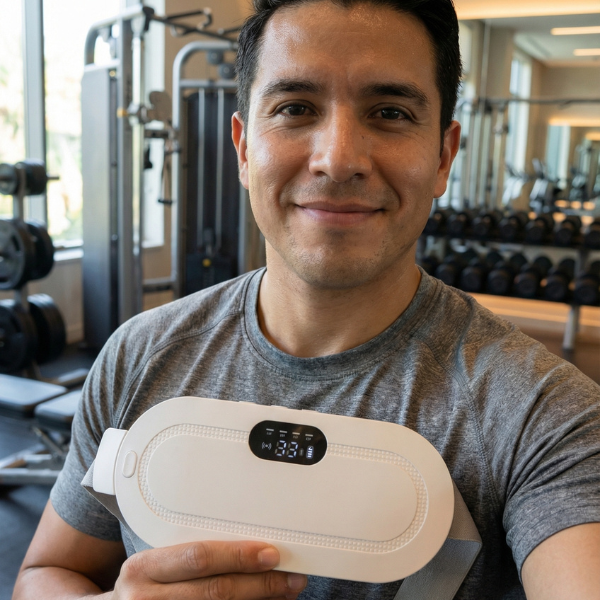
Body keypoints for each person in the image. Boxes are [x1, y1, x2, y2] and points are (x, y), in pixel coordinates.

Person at [13, 0, 600, 598]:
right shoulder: (140, 355)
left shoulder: (542, 415)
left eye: (390, 113)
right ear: (244, 148)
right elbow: (46, 574)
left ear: (443, 157)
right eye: (295, 108)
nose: (338, 160)